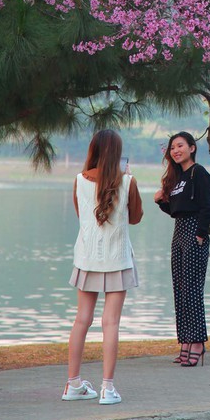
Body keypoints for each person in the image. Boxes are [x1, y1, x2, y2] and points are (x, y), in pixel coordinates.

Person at [62, 129, 143, 405]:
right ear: (118, 153)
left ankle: (73, 384)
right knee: (111, 323)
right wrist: (128, 178)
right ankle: (108, 388)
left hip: (86, 259)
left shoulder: (78, 180)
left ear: (93, 150)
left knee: (81, 320)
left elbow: (81, 216)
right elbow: (136, 218)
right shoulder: (128, 181)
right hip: (117, 260)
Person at [154, 131, 210, 367]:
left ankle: (197, 343)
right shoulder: (177, 179)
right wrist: (161, 201)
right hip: (179, 232)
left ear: (192, 148)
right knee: (180, 289)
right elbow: (176, 211)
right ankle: (185, 342)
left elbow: (206, 207)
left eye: (180, 146)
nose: (175, 150)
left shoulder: (198, 173)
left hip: (194, 233)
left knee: (192, 289)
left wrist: (200, 235)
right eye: (172, 148)